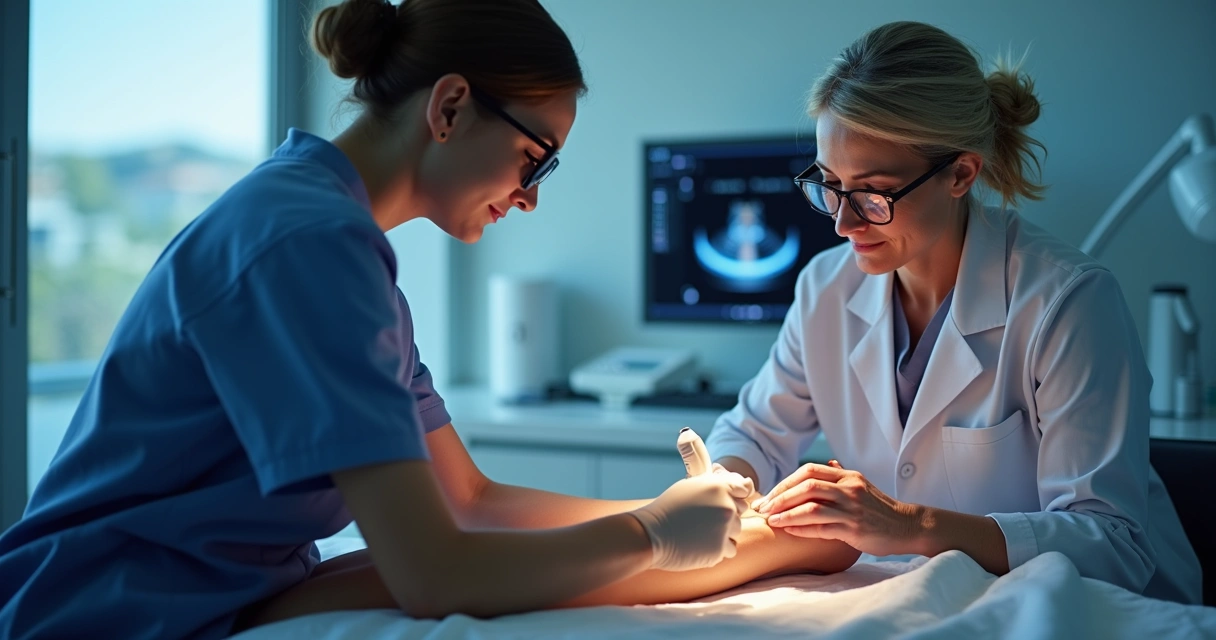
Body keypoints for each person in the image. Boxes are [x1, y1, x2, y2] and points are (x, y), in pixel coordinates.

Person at [0, 1, 812, 638]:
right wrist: (648, 534)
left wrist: (687, 505)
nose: (531, 196)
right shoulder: (309, 243)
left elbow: (470, 501)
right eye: (536, 159)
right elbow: (435, 573)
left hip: (211, 584)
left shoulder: (337, 240)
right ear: (451, 106)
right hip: (99, 607)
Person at [706, 20, 1202, 604]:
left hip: (1094, 608)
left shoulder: (1066, 300)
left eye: (873, 194)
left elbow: (1112, 544)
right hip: (926, 598)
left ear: (961, 173)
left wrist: (908, 525)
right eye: (830, 185)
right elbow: (754, 432)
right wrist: (722, 485)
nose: (843, 223)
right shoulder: (826, 289)